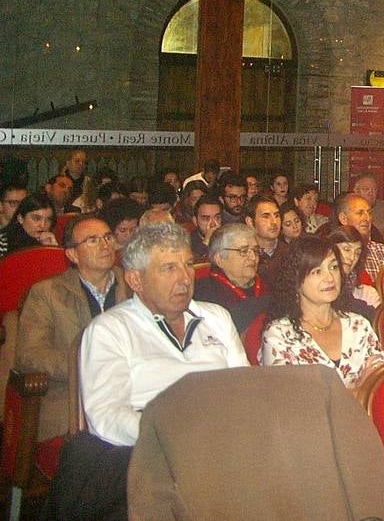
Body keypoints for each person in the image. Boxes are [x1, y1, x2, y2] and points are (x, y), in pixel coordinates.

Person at [60, 223, 246, 520]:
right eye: (168, 268)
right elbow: (107, 418)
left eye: (187, 265)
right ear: (136, 279)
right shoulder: (111, 329)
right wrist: (173, 438)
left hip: (223, 442)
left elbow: (243, 387)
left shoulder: (216, 318)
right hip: (150, 450)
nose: (185, 278)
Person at [15, 214, 128, 442]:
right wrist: (84, 364)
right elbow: (29, 356)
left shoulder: (134, 284)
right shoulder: (47, 293)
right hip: (72, 402)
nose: (105, 245)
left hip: (129, 397)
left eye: (107, 237)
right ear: (73, 254)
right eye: (93, 240)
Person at [260, 234, 384, 388]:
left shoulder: (359, 325)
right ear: (295, 280)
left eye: (333, 267)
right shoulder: (279, 335)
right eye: (317, 271)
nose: (330, 278)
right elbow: (295, 404)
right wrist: (359, 389)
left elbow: (380, 387)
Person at [194, 223, 270, 333]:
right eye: (243, 251)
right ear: (220, 259)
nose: (253, 257)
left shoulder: (268, 282)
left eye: (255, 250)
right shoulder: (204, 293)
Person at [319, 222, 382, 313]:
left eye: (357, 253)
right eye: (346, 249)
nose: (352, 257)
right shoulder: (317, 288)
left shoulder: (368, 295)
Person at [337, 192, 384, 281]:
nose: (367, 218)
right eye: (360, 213)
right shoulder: (332, 252)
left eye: (369, 213)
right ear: (344, 218)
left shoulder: (383, 251)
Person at [244, 194, 287, 284]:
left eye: (276, 215)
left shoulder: (290, 253)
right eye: (266, 217)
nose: (274, 222)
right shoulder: (243, 255)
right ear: (250, 222)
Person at [188, 194, 225, 262]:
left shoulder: (228, 237)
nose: (213, 224)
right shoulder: (188, 243)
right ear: (195, 221)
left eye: (217, 218)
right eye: (206, 219)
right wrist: (206, 242)